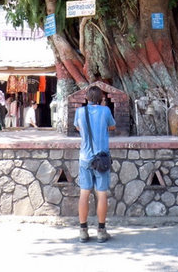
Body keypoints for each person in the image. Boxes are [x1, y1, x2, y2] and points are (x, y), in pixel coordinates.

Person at [74, 85, 116, 243]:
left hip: (85, 158)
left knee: (84, 193)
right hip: (101, 158)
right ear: (101, 98)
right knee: (102, 193)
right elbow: (112, 126)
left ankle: (83, 231)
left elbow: (78, 127)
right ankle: (101, 230)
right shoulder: (105, 111)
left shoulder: (79, 112)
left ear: (86, 98)